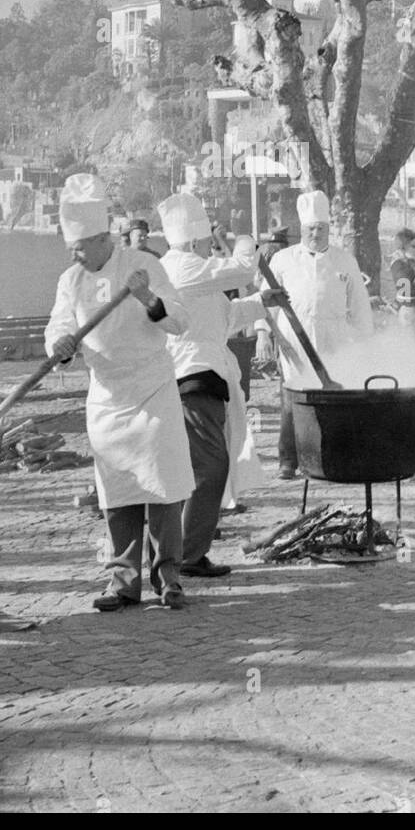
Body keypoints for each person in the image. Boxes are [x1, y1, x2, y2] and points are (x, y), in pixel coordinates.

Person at [45, 175, 194, 612]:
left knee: (164, 487)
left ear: (101, 238)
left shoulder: (142, 265)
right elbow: (58, 324)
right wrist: (60, 344)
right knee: (118, 489)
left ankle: (169, 578)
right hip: (107, 395)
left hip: (153, 387)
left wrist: (149, 300)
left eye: (80, 246)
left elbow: (180, 321)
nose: (74, 254)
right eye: (71, 247)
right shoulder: (71, 280)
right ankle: (123, 582)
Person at [157, 193, 266, 577]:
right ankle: (187, 554)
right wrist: (246, 240)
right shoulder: (182, 267)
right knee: (209, 467)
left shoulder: (196, 275)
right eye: (205, 242)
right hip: (191, 378)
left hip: (205, 376)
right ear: (191, 242)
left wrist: (263, 301)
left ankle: (188, 550)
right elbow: (240, 270)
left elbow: (224, 317)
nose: (208, 247)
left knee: (203, 467)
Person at [263, 190, 373, 480]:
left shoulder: (344, 260)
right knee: (293, 398)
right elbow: (264, 300)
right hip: (294, 337)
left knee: (334, 397)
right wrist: (264, 334)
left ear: (328, 229)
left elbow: (360, 306)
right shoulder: (283, 260)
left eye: (321, 228)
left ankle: (332, 456)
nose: (316, 233)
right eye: (311, 228)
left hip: (334, 336)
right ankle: (288, 459)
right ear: (302, 229)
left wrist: (365, 341)